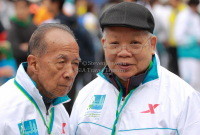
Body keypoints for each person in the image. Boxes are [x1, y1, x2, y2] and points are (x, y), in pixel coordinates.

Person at [70, 2, 200, 135]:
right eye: (114, 43)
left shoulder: (184, 98)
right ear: (104, 45)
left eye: (135, 43)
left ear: (152, 45)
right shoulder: (86, 95)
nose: (124, 52)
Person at [0, 23, 81, 135]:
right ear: (34, 64)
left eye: (75, 63)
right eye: (61, 62)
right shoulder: (4, 107)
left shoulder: (61, 112)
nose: (70, 73)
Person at [46, 0, 95, 114]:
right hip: (79, 62)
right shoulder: (69, 20)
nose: (44, 5)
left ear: (55, 4)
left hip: (67, 63)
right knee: (72, 93)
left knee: (66, 96)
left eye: (46, 2)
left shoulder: (59, 22)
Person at [174, 0, 200, 92]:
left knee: (196, 83)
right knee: (189, 83)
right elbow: (178, 38)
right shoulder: (183, 16)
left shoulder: (196, 16)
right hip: (186, 55)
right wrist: (195, 40)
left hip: (196, 55)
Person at [7, 0, 37, 67]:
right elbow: (15, 51)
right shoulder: (12, 28)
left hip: (34, 65)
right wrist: (31, 47)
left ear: (28, 9)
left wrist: (26, 46)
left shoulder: (33, 26)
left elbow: (38, 46)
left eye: (22, 8)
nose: (20, 11)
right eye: (17, 8)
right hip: (19, 66)